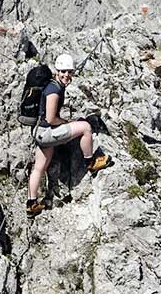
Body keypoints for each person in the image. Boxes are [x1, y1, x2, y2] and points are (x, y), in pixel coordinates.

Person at [27, 53, 110, 217]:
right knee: (85, 127)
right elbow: (51, 118)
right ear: (57, 71)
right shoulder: (54, 90)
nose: (66, 75)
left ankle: (31, 204)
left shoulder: (52, 85)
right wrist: (67, 123)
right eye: (63, 71)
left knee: (39, 168)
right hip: (48, 132)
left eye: (69, 72)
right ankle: (91, 162)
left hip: (40, 132)